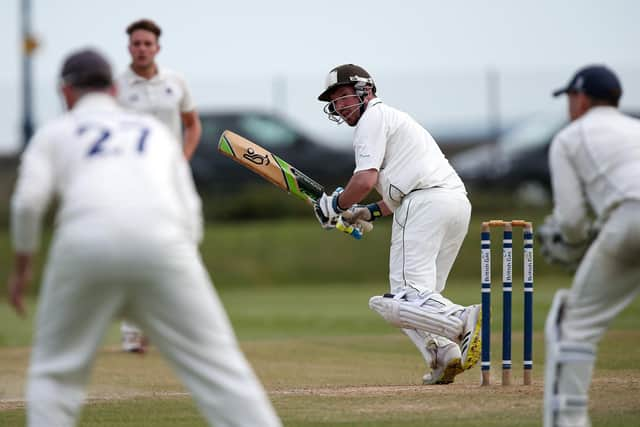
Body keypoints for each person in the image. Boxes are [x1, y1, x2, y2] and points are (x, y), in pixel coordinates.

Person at [7, 48, 281, 427]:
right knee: (222, 371)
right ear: (115, 88)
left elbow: (27, 204)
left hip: (84, 245)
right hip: (165, 246)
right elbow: (190, 210)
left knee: (55, 375)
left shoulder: (55, 132)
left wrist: (22, 269)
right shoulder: (152, 131)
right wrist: (181, 268)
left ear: (65, 92)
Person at [314, 64, 482, 385]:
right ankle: (444, 354)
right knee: (424, 296)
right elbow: (394, 194)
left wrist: (334, 205)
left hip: (424, 204)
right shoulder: (393, 120)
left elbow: (364, 179)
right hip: (455, 202)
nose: (340, 105)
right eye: (334, 101)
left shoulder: (371, 119)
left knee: (405, 296)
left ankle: (461, 317)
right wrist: (367, 213)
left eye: (344, 96)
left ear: (366, 90)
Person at [541, 65, 640, 427]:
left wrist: (574, 242)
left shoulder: (570, 137)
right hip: (625, 219)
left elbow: (571, 221)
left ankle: (568, 420)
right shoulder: (636, 127)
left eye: (569, 98)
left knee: (574, 326)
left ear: (581, 98)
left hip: (629, 220)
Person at [116, 18, 202, 352]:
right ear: (129, 47)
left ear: (157, 48)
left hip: (171, 178)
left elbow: (192, 125)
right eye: (136, 43)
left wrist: (183, 158)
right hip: (132, 180)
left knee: (180, 246)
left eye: (147, 44)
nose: (141, 49)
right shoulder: (117, 86)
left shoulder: (175, 82)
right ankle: (132, 328)